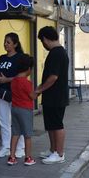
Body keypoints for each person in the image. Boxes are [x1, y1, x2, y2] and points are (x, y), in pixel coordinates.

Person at [34, 26, 69, 165]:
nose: (43, 45)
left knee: (57, 125)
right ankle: (52, 149)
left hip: (56, 96)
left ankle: (59, 154)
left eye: (42, 41)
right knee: (50, 125)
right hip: (51, 96)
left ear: (45, 39)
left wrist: (39, 90)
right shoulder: (57, 52)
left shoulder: (57, 53)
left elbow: (53, 77)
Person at [0, 32, 25, 158]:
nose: (5, 44)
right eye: (5, 42)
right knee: (3, 120)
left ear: (15, 44)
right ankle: (6, 146)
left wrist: (7, 79)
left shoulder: (21, 57)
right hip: (2, 92)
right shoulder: (1, 58)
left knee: (17, 120)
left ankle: (20, 147)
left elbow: (23, 75)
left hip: (16, 93)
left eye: (8, 42)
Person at [7, 54, 35, 166]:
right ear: (29, 69)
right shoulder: (27, 83)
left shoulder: (13, 81)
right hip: (25, 110)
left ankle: (12, 157)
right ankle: (28, 157)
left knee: (15, 133)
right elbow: (32, 96)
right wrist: (38, 91)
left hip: (14, 108)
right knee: (28, 135)